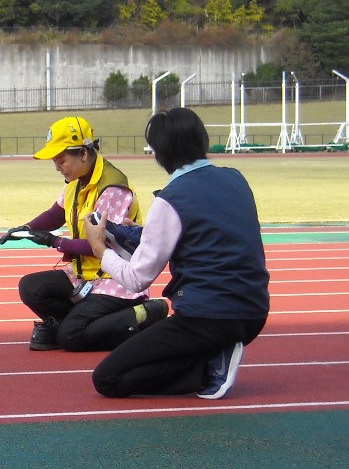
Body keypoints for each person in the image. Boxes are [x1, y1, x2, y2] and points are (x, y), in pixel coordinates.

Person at [85, 107, 270, 399]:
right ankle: (216, 350)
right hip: (254, 313)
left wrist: (99, 248)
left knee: (108, 378)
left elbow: (137, 279)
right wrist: (130, 233)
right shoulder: (236, 179)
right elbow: (203, 235)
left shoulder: (171, 199)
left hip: (207, 317)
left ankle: (209, 366)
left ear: (160, 153)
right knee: (161, 355)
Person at [0, 115, 167, 352]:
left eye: (60, 160)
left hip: (114, 281)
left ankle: (144, 314)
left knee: (72, 337)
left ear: (83, 154)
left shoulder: (112, 188)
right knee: (31, 287)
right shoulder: (75, 180)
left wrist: (55, 241)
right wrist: (26, 229)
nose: (56, 166)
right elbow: (55, 214)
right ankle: (66, 324)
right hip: (83, 276)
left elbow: (99, 245)